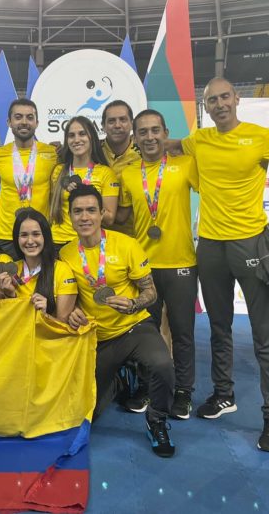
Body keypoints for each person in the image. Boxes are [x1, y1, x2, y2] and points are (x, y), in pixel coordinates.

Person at [164, 77, 269, 453]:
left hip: (251, 245)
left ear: (237, 99)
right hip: (211, 247)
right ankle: (223, 394)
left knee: (265, 333)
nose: (219, 104)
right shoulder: (201, 139)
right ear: (206, 106)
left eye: (224, 97)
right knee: (218, 326)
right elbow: (163, 144)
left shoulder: (260, 137)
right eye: (212, 100)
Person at [61, 184, 176, 458]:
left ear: (102, 213)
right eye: (78, 211)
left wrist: (133, 303)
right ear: (70, 216)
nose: (85, 217)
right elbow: (67, 295)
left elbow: (151, 292)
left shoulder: (126, 244)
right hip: (98, 337)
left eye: (91, 210)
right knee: (92, 413)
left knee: (163, 365)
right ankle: (121, 381)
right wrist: (73, 309)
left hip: (134, 327)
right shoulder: (65, 254)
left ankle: (157, 421)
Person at [116, 109, 199, 420]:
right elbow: (121, 217)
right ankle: (149, 387)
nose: (149, 137)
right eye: (143, 132)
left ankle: (183, 392)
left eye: (155, 131)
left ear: (165, 133)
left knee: (182, 332)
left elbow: (208, 168)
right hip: (143, 268)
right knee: (146, 332)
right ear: (134, 138)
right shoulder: (127, 175)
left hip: (181, 264)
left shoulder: (186, 165)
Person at [0, 99, 58, 257]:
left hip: (40, 234)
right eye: (18, 117)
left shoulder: (53, 153)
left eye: (29, 117)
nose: (24, 122)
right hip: (5, 234)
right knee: (5, 281)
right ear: (9, 122)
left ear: (37, 122)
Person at [0, 208, 77, 323]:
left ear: (45, 237)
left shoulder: (62, 270)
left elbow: (63, 327)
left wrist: (44, 315)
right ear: (16, 239)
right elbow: (0, 320)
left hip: (47, 340)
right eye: (24, 235)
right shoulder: (8, 272)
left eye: (36, 234)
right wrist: (11, 296)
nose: (30, 241)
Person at [49, 116, 119, 249]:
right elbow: (52, 209)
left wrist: (85, 194)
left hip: (87, 242)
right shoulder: (58, 171)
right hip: (56, 243)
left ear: (91, 138)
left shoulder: (106, 173)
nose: (76, 140)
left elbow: (109, 219)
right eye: (71, 135)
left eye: (82, 134)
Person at [101, 100, 141, 236]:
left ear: (131, 124)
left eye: (123, 120)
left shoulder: (144, 156)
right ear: (103, 126)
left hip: (134, 238)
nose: (117, 125)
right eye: (111, 121)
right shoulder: (91, 151)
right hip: (95, 237)